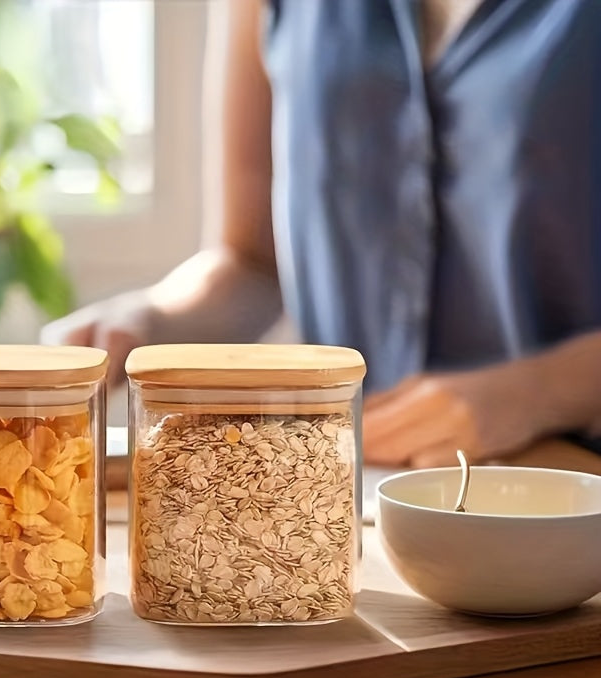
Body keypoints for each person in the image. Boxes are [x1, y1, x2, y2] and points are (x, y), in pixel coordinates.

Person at [42, 0, 601, 468]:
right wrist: (147, 321)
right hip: (350, 489)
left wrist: (539, 393)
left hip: (568, 483)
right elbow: (248, 261)